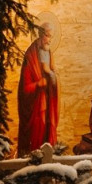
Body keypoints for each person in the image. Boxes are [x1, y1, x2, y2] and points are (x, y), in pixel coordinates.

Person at [15, 24, 59, 156]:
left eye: (52, 37)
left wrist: (51, 75)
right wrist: (39, 84)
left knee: (46, 133)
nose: (50, 40)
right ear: (40, 34)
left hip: (47, 104)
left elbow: (54, 77)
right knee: (36, 136)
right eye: (48, 36)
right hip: (35, 108)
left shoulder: (49, 52)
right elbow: (25, 89)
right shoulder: (30, 56)